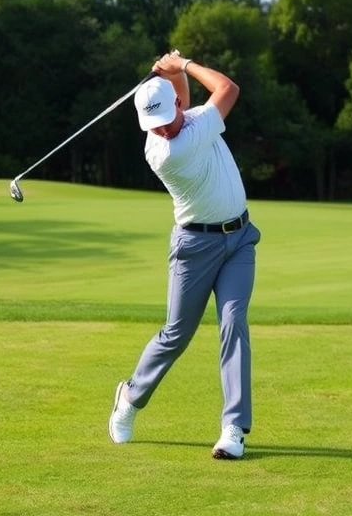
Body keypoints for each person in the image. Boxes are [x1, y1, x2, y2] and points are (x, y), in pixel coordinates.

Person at [108, 51, 261, 460]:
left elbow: (184, 98)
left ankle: (234, 427)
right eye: (153, 126)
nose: (161, 130)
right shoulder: (171, 150)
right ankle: (130, 397)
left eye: (166, 119)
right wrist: (185, 63)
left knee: (233, 323)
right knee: (176, 334)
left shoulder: (186, 118)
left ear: (178, 105)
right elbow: (227, 89)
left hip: (239, 240)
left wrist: (174, 74)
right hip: (194, 249)